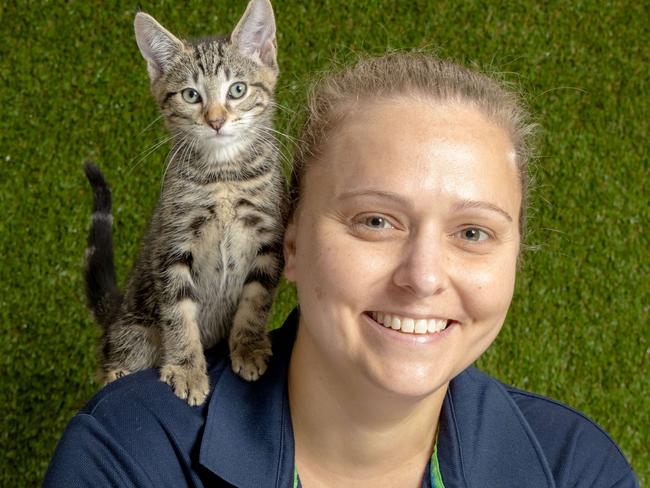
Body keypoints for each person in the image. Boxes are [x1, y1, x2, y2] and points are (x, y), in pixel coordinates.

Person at [43, 53, 639, 487]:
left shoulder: (578, 468)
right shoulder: (128, 453)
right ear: (289, 240)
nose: (424, 276)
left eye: (473, 232)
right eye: (376, 221)